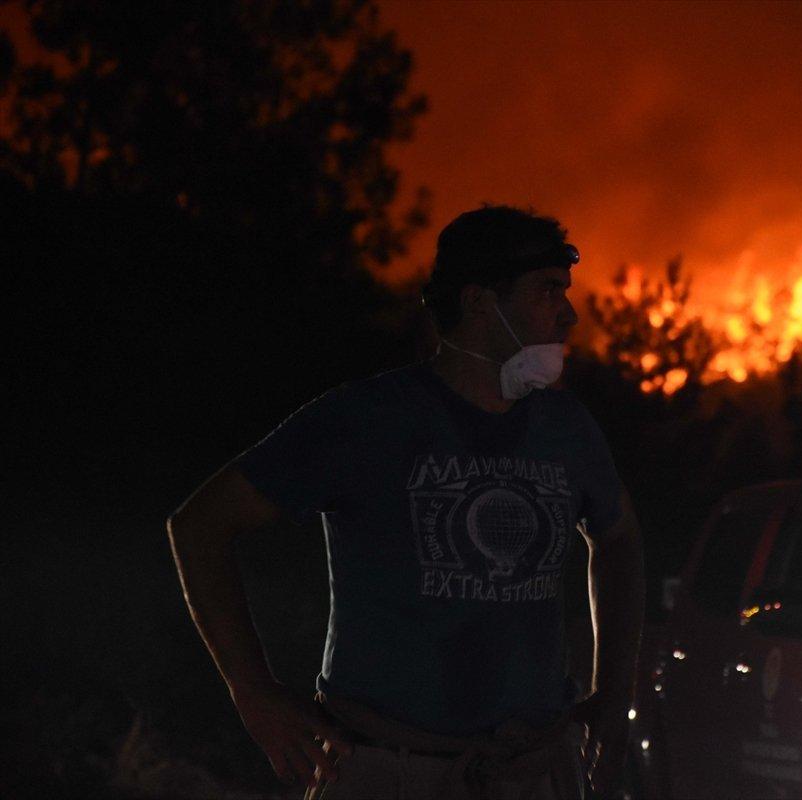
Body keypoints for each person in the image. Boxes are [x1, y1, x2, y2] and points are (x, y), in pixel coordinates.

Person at [166, 205, 645, 799]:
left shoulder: (566, 428)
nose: (568, 314)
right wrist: (253, 692)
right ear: (479, 302)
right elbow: (200, 525)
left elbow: (618, 537)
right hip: (386, 770)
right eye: (549, 290)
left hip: (530, 770)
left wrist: (615, 689)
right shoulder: (367, 419)